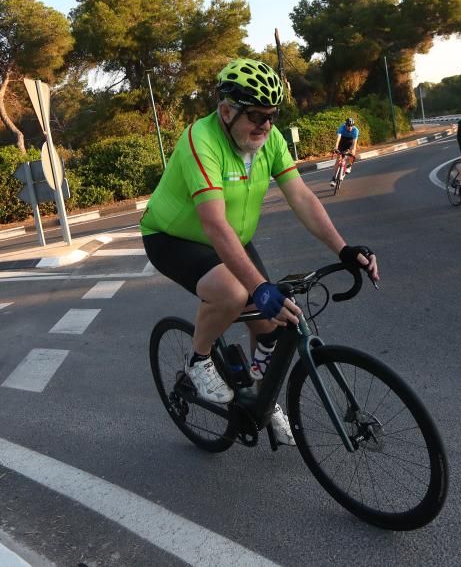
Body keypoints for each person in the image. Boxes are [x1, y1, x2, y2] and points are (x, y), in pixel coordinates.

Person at [140, 58, 379, 446]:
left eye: (272, 116)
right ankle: (198, 359)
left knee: (273, 321)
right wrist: (258, 288)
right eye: (256, 116)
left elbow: (300, 195)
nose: (265, 125)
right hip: (174, 237)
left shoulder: (270, 139)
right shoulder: (200, 141)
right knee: (235, 294)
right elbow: (214, 224)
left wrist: (343, 249)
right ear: (227, 111)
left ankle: (258, 396)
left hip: (232, 237)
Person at [330, 117, 359, 187]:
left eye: (351, 126)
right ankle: (333, 179)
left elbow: (354, 143)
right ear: (345, 125)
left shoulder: (355, 130)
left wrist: (352, 152)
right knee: (338, 160)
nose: (350, 127)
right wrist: (336, 147)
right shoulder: (342, 128)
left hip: (350, 142)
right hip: (342, 141)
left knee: (352, 152)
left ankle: (349, 166)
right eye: (348, 126)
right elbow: (338, 139)